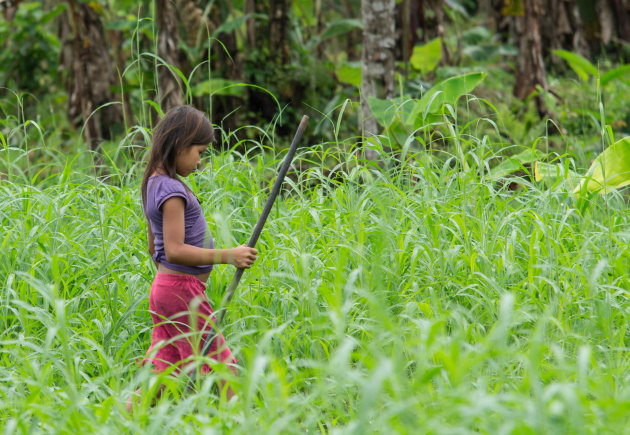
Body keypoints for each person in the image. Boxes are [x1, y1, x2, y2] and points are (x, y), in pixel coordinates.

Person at [128, 105, 258, 411]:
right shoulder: (171, 191)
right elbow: (173, 249)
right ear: (180, 144)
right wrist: (229, 255)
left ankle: (120, 422)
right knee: (225, 367)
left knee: (163, 371)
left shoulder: (154, 182)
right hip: (181, 292)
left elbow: (155, 247)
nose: (200, 161)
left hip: (168, 289)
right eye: (199, 151)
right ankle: (238, 426)